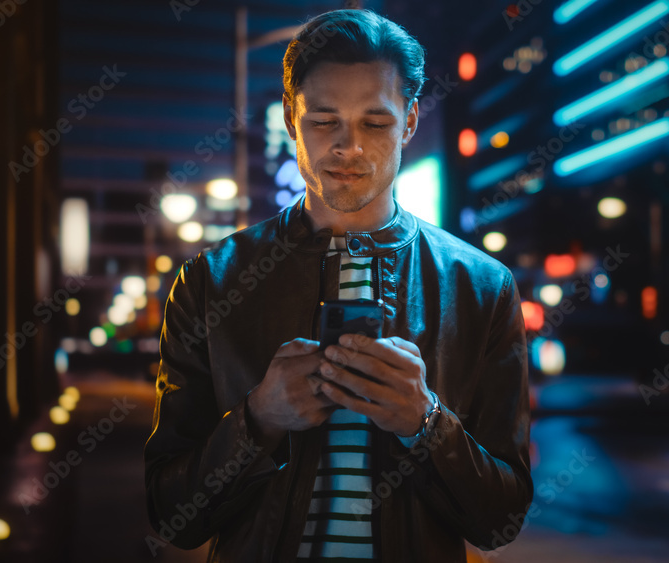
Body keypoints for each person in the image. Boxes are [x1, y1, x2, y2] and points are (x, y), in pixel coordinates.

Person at [144, 8, 533, 562]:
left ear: (411, 121)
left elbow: (502, 519)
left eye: (375, 123)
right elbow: (170, 514)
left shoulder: (482, 287)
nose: (348, 147)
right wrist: (259, 420)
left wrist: (425, 424)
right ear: (289, 116)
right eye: (324, 120)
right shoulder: (212, 280)